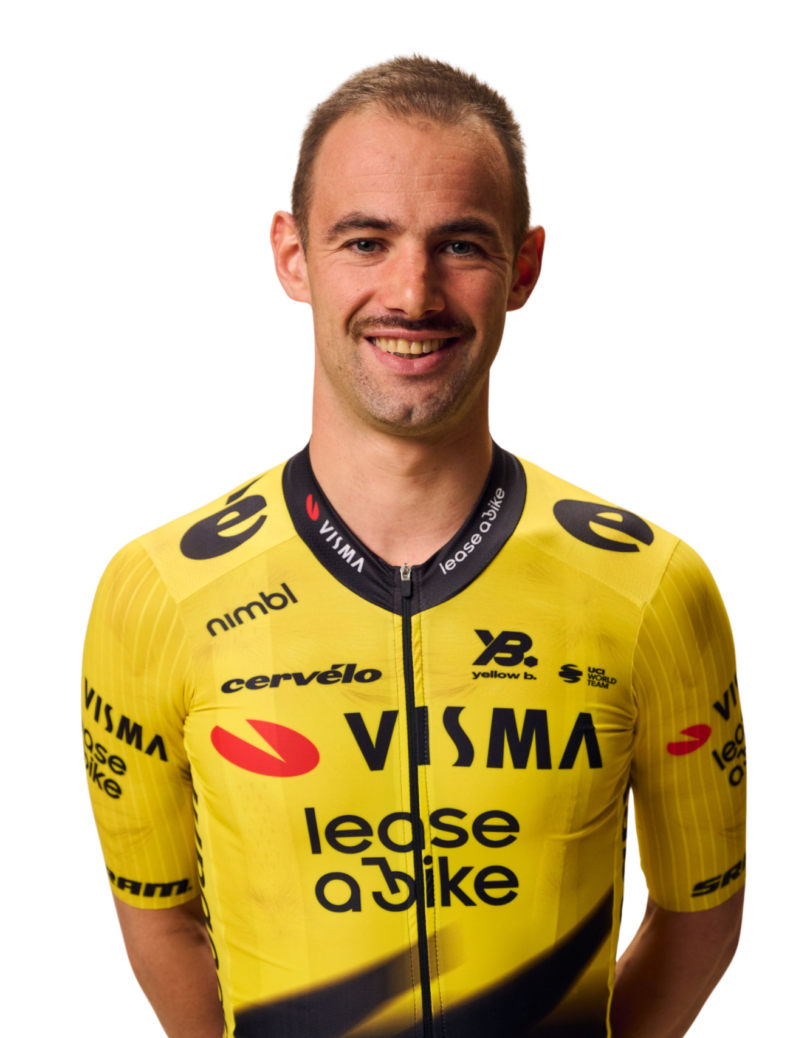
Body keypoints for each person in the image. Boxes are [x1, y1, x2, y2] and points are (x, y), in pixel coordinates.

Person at [80, 52, 747, 1038]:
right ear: (291, 256)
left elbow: (701, 918)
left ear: (526, 267)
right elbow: (158, 921)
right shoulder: (155, 591)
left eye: (461, 245)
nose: (413, 293)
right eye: (365, 241)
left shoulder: (656, 585)